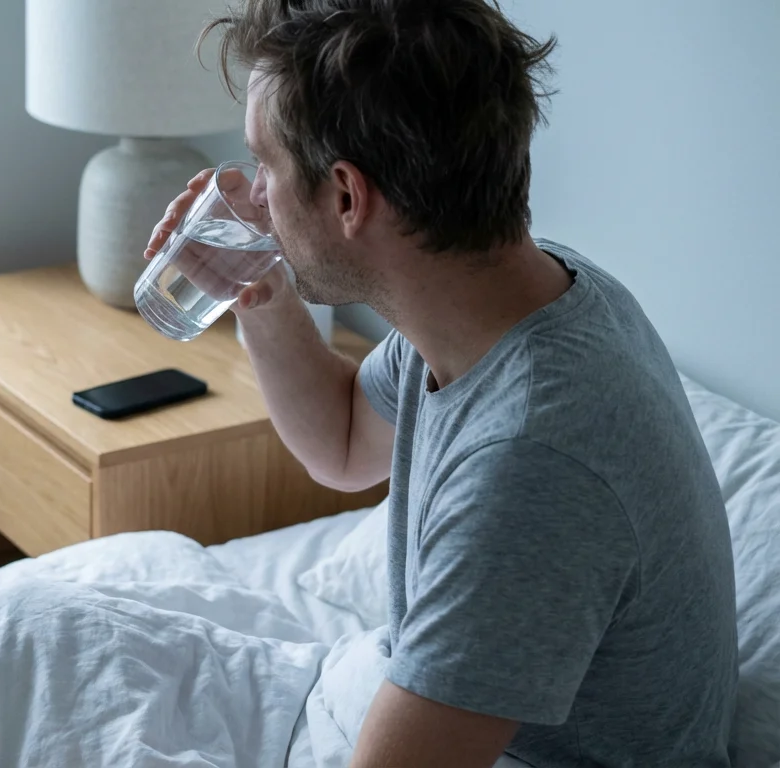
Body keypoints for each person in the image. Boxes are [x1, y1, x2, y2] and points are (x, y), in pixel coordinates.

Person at [145, 1, 738, 766]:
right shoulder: (520, 294)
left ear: (349, 197)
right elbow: (346, 442)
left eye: (266, 166)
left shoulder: (532, 465)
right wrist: (258, 292)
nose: (254, 196)